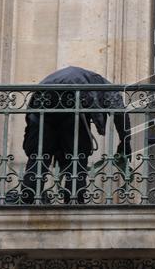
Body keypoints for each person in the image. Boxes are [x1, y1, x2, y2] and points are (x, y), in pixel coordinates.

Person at [21, 66, 131, 204]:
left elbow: (31, 115)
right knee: (77, 156)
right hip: (72, 102)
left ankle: (28, 198)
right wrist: (125, 141)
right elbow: (120, 112)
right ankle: (74, 200)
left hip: (43, 103)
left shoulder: (70, 77)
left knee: (39, 156)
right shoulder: (102, 84)